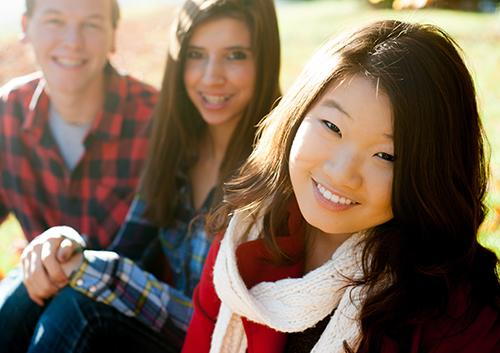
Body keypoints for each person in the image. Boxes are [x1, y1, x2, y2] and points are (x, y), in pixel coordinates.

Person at [181, 20, 500, 353]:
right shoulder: (246, 235)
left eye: (386, 155)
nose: (342, 173)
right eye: (332, 126)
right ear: (297, 115)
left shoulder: (458, 316)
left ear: (431, 173)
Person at [0, 0, 282, 352]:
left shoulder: (275, 175)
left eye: (236, 55)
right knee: (46, 283)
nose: (212, 76)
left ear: (265, 58)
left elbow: (229, 328)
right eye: (195, 54)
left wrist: (87, 267)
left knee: (79, 306)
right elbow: (128, 249)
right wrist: (65, 248)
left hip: (213, 340)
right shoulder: (177, 149)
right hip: (158, 326)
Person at [0, 0, 157, 250]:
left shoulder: (158, 120)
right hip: (39, 287)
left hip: (133, 287)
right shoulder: (7, 113)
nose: (73, 42)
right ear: (26, 27)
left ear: (113, 36)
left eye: (91, 24)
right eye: (55, 21)